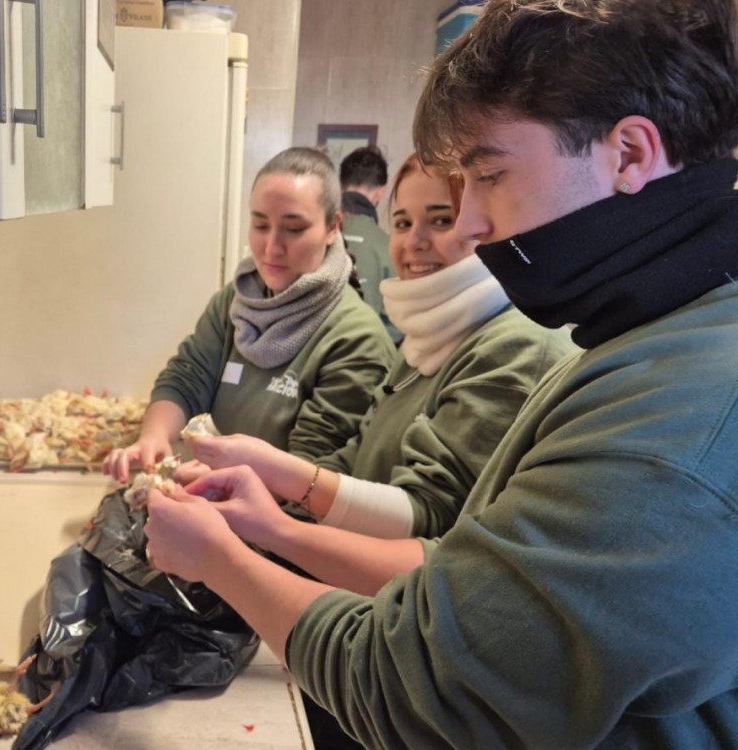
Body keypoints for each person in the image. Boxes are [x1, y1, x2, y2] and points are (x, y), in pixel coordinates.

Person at [143, 1, 738, 747]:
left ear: (629, 153)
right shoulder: (640, 339)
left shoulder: (675, 420)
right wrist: (272, 526)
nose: (469, 226)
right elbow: (471, 582)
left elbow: (417, 690)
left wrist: (222, 560)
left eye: (490, 176)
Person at [179, 154, 577, 585]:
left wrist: (272, 514)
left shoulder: (515, 346)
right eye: (402, 223)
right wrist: (251, 477)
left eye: (441, 220)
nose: (414, 242)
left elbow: (430, 515)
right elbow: (357, 457)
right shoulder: (428, 336)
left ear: (488, 222)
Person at [103, 147, 396, 483]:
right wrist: (154, 437)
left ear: (333, 227)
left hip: (279, 510)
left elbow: (312, 478)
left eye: (294, 229)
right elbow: (187, 377)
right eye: (260, 225)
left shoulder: (355, 339)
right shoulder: (236, 301)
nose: (272, 247)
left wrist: (216, 484)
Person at [338, 146, 400, 344]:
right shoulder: (389, 246)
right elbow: (398, 326)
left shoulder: (316, 237)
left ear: (340, 186)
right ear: (380, 192)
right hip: (373, 352)